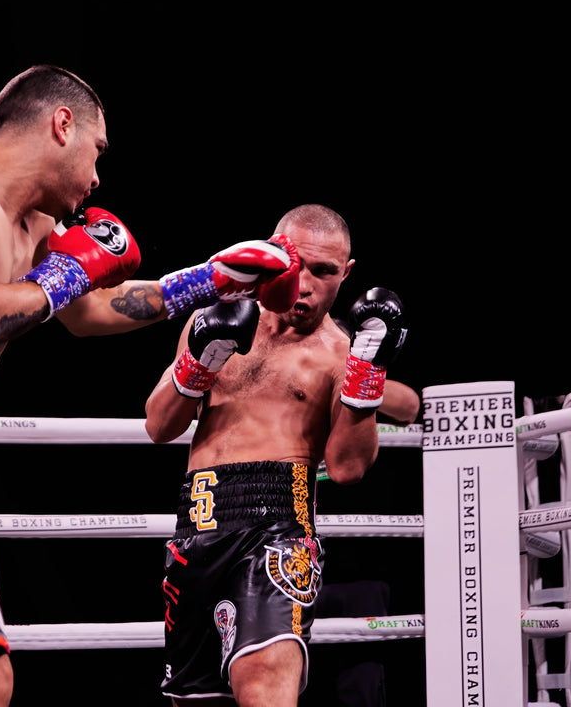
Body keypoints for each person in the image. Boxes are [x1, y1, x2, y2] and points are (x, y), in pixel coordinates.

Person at [0, 64, 302, 707]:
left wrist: (212, 277)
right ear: (62, 125)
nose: (98, 178)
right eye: (97, 152)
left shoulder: (36, 230)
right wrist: (70, 271)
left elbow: (92, 310)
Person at [143, 203, 408, 707]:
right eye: (298, 264)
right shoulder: (214, 318)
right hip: (195, 526)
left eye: (325, 272)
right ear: (274, 250)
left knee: (266, 688)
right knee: (194, 702)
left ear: (346, 274)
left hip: (278, 527)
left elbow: (349, 468)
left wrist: (367, 375)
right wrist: (200, 360)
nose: (305, 284)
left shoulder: (338, 353)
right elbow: (159, 424)